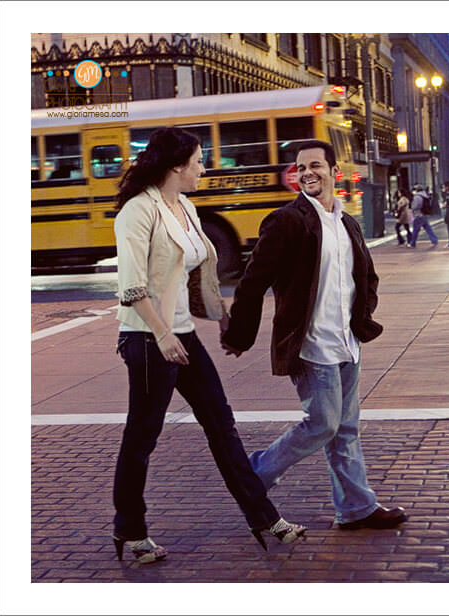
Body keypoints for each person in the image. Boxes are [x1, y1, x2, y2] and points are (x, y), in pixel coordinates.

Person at [111, 127, 304, 564]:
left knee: (222, 425)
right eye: (199, 160)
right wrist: (161, 335)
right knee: (142, 436)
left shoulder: (187, 208)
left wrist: (222, 320)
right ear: (176, 165)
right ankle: (131, 530)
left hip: (182, 335)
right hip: (146, 338)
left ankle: (264, 518)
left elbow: (200, 273)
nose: (204, 167)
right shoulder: (137, 213)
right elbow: (131, 287)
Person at [220, 139, 407, 531]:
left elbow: (366, 277)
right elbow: (254, 281)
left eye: (316, 165)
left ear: (334, 172)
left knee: (346, 428)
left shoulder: (346, 222)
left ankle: (356, 508)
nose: (307, 172)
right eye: (301, 167)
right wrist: (239, 334)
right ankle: (255, 475)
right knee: (323, 424)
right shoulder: (287, 221)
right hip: (311, 345)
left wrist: (363, 315)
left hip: (347, 343)